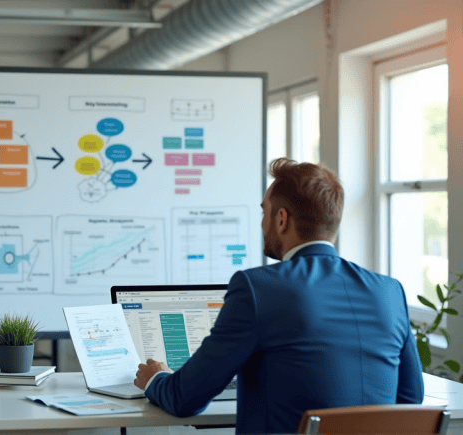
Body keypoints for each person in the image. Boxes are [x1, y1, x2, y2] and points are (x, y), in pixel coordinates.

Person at [134, 158, 424, 433]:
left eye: (264, 212)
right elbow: (411, 398)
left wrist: (155, 378)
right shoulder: (389, 290)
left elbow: (186, 397)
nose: (262, 223)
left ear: (282, 219)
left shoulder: (257, 287)